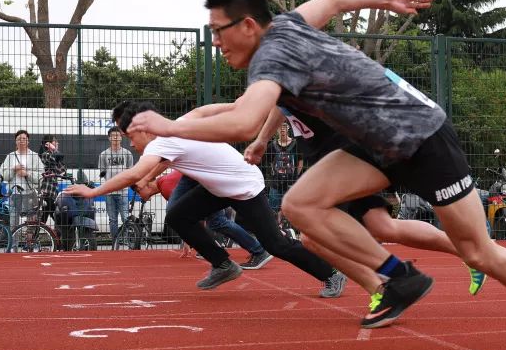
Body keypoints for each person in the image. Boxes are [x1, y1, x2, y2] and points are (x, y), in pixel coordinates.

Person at [126, 0, 506, 350]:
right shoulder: (288, 24)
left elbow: (245, 119)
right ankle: (398, 276)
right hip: (379, 146)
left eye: (218, 30)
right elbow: (333, 0)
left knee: (479, 252)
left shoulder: (274, 56)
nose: (214, 41)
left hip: (423, 139)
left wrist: (171, 128)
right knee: (303, 205)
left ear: (248, 25)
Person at [64, 101, 346, 297]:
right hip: (217, 187)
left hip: (245, 186)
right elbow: (205, 112)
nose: (130, 143)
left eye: (128, 137)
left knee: (276, 244)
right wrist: (239, 106)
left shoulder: (163, 140)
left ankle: (332, 274)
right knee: (178, 216)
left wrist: (92, 191)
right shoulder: (181, 123)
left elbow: (134, 173)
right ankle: (223, 265)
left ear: (142, 128)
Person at [244, 105, 488, 299]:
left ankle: (383, 290)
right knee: (382, 225)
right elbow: (280, 104)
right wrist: (263, 139)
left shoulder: (288, 65)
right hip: (335, 154)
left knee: (311, 234)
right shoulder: (282, 76)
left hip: (341, 155)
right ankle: (470, 254)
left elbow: (245, 113)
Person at [0, 129, 43, 229]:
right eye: (19, 139)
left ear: (28, 141)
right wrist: (13, 169)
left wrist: (27, 174)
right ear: (16, 141)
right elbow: (3, 176)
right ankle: (14, 245)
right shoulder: (10, 156)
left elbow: (41, 176)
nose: (22, 140)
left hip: (30, 193)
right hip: (14, 193)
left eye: (24, 138)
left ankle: (30, 244)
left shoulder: (35, 156)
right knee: (13, 223)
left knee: (31, 223)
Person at [98, 129, 135, 241]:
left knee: (125, 218)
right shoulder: (104, 154)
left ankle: (128, 240)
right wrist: (111, 180)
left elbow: (130, 170)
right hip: (109, 191)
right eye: (113, 136)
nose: (115, 138)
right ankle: (115, 241)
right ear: (109, 138)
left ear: (121, 137)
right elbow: (102, 171)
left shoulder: (127, 153)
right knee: (112, 219)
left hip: (123, 191)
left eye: (117, 135)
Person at [266, 122, 302, 226]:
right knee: (273, 207)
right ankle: (277, 227)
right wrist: (273, 171)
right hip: (276, 181)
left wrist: (296, 176)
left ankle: (287, 228)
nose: (282, 129)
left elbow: (300, 161)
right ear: (277, 131)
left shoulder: (295, 143)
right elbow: (269, 160)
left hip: (291, 181)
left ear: (288, 129)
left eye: (284, 127)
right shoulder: (272, 145)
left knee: (290, 207)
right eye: (279, 127)